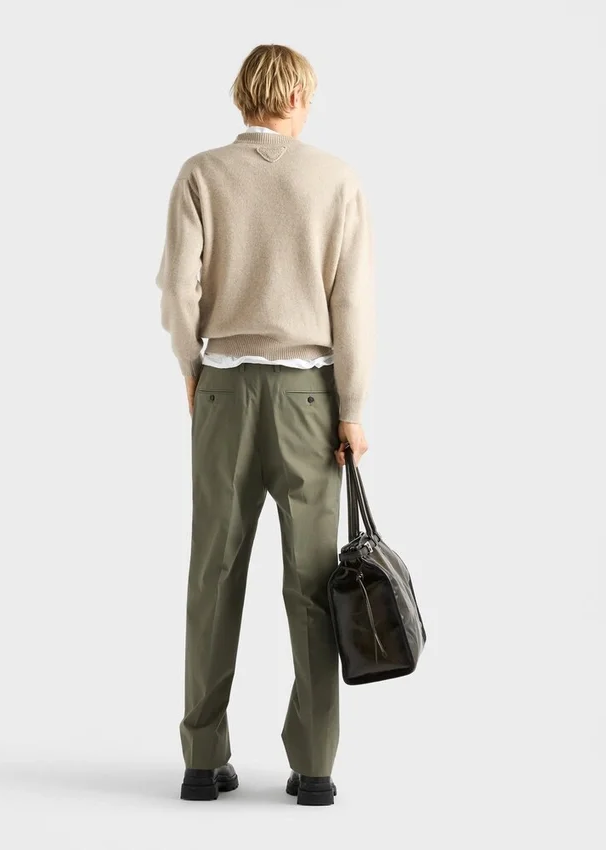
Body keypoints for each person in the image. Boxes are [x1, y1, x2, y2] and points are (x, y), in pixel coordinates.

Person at [155, 43, 375, 806]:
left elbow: (177, 290)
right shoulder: (335, 178)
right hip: (310, 399)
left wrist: (193, 368)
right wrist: (352, 408)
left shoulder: (201, 173)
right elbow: (352, 304)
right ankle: (314, 768)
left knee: (212, 575)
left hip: (222, 392)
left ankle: (201, 759)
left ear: (242, 96)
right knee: (313, 583)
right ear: (299, 98)